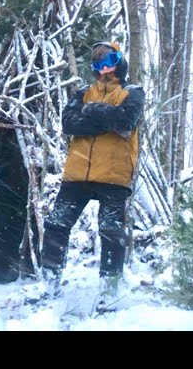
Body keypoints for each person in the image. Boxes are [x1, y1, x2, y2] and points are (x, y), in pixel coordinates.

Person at [40, 41, 144, 298]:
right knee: (56, 224)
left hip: (114, 175)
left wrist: (94, 111)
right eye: (99, 62)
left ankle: (109, 291)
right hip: (77, 173)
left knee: (111, 230)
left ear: (119, 61)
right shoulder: (83, 92)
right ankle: (49, 284)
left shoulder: (133, 92)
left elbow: (126, 120)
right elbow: (69, 124)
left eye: (109, 60)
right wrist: (106, 120)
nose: (105, 68)